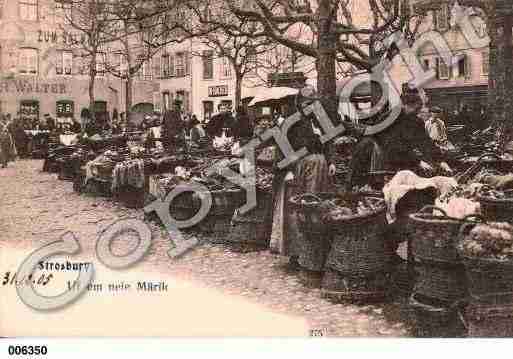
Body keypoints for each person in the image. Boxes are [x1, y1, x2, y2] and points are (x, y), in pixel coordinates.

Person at [270, 94, 336, 273]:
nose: (310, 107)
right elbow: (282, 147)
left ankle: (317, 254)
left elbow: (329, 143)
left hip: (320, 170)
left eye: (313, 103)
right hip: (298, 169)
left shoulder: (321, 120)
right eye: (307, 103)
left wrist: (331, 162)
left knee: (317, 207)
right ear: (299, 104)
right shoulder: (290, 123)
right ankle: (296, 253)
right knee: (297, 209)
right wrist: (288, 171)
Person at [348, 88, 442, 188]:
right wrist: (418, 161)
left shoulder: (416, 121)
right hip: (383, 157)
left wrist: (440, 160)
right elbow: (394, 145)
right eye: (414, 109)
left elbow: (425, 142)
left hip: (403, 157)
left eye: (418, 109)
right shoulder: (390, 119)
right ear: (405, 105)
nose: (417, 112)